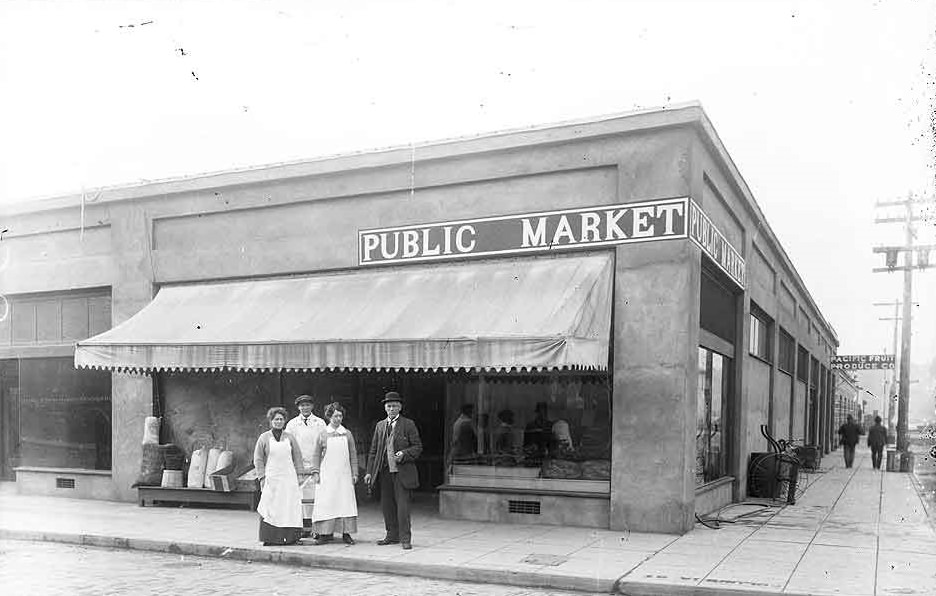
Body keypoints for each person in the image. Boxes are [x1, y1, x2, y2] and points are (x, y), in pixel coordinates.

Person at [363, 391, 422, 550]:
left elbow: (417, 447)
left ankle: (405, 539)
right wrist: (369, 471)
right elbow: (374, 450)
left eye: (395, 406)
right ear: (385, 408)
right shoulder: (380, 425)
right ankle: (391, 535)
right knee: (387, 506)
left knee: (403, 507)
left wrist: (404, 454)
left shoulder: (408, 424)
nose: (391, 409)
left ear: (400, 407)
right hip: (384, 471)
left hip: (402, 472)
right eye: (389, 406)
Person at [309, 402, 359, 545]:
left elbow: (353, 455)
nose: (338, 418)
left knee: (345, 502)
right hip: (327, 475)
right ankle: (325, 533)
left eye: (340, 416)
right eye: (335, 416)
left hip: (344, 475)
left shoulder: (347, 434)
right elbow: (316, 455)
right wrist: (316, 472)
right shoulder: (323, 434)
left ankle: (346, 533)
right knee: (327, 502)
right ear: (329, 417)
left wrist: (354, 473)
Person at [253, 406, 304, 546]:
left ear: (284, 421)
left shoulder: (290, 437)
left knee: (289, 506)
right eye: (276, 419)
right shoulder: (264, 438)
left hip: (289, 478)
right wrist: (262, 477)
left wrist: (300, 474)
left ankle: (290, 538)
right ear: (271, 421)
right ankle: (269, 538)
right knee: (270, 506)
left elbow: (297, 457)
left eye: (281, 419)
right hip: (272, 477)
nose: (279, 422)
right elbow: (258, 459)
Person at [284, 394, 326, 537]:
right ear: (298, 407)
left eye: (307, 405)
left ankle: (316, 530)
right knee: (301, 499)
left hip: (315, 465)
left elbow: (324, 444)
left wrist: (319, 464)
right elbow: (288, 444)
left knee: (316, 498)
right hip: (299, 466)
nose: (305, 408)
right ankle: (303, 529)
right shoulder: (292, 424)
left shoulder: (320, 423)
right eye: (302, 405)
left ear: (312, 406)